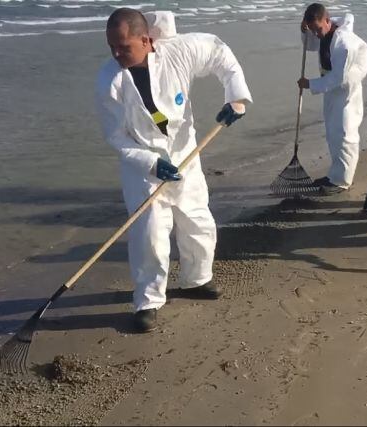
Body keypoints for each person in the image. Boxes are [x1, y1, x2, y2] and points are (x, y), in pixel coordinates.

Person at [95, 8, 252, 332]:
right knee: (150, 235)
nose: (116, 54)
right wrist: (151, 163)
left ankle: (197, 280)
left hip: (186, 154)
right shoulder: (108, 80)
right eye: (111, 46)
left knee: (198, 222)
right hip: (144, 167)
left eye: (124, 46)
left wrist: (236, 97)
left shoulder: (179, 51)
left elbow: (220, 53)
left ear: (146, 39)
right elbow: (115, 137)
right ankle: (148, 301)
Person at [298, 3, 367, 195]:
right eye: (313, 30)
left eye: (318, 29)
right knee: (332, 131)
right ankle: (334, 175)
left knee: (344, 133)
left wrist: (310, 84)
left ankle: (342, 181)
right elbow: (311, 45)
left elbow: (339, 78)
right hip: (330, 85)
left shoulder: (344, 44)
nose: (317, 34)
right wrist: (304, 32)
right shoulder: (322, 32)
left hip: (346, 89)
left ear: (327, 20)